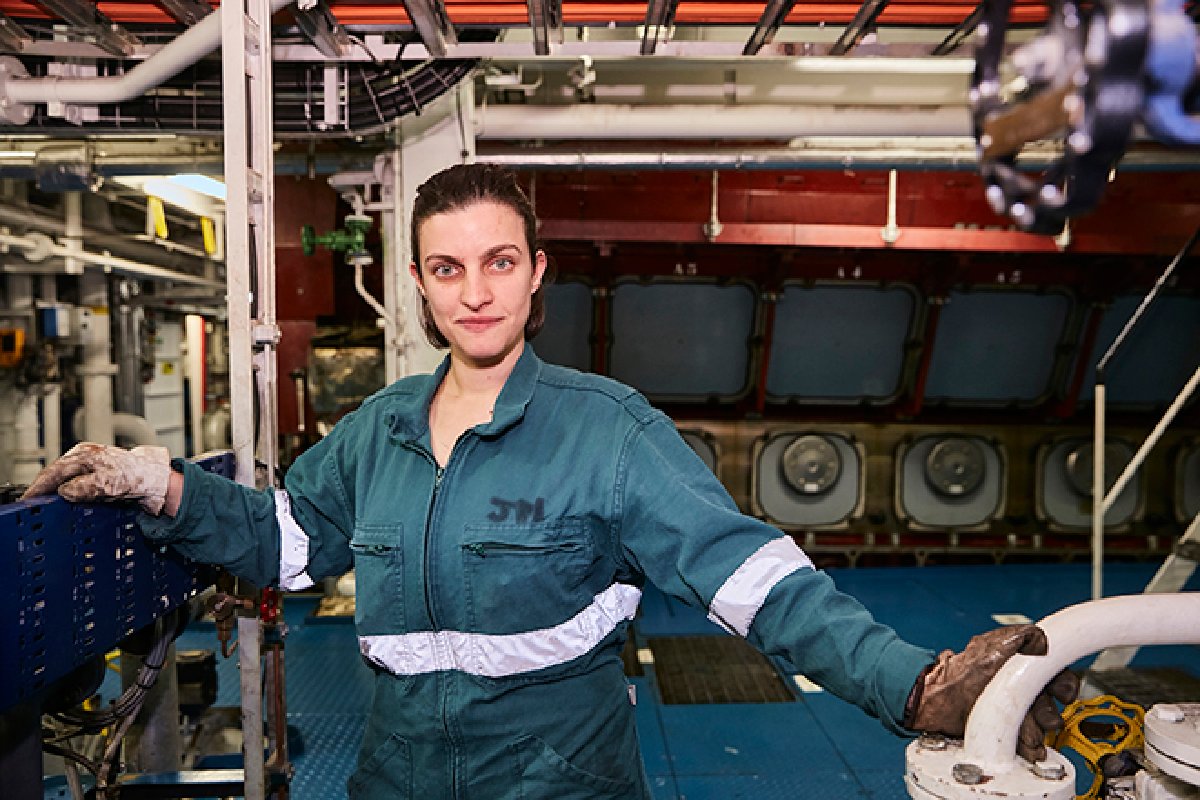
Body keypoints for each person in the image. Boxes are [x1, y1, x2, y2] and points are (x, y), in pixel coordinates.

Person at [23, 163, 1077, 800]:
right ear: (422, 286)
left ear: (535, 272)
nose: (474, 292)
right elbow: (288, 540)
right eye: (447, 268)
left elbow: (756, 580)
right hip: (397, 783)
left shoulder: (609, 432)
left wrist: (916, 681)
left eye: (498, 263)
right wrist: (161, 486)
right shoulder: (377, 429)